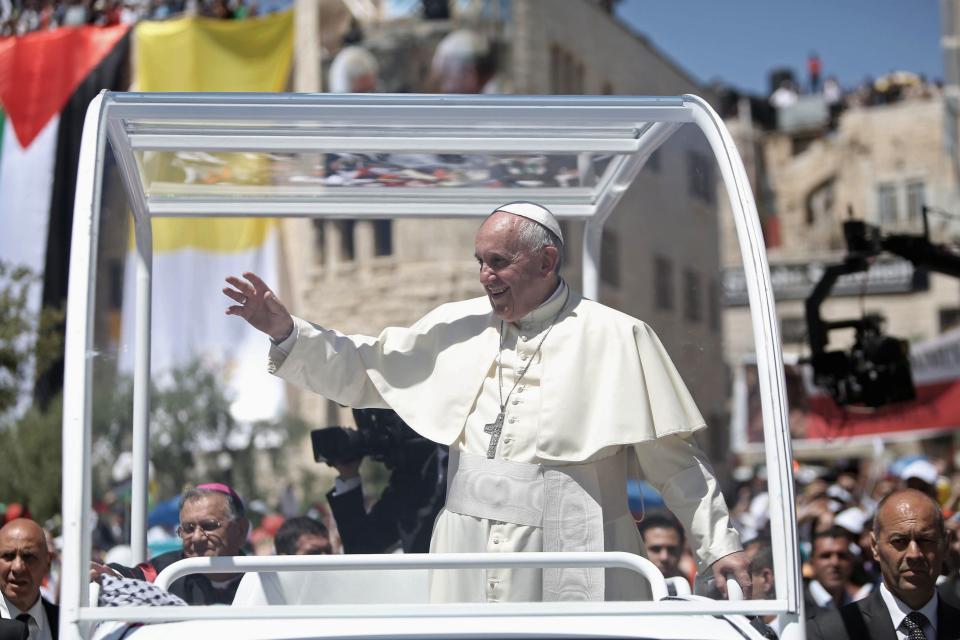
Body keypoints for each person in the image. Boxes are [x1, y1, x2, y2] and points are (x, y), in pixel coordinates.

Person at [223, 200, 750, 603]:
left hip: (574, 547)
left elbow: (675, 463)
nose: (484, 277)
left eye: (498, 262)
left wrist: (719, 545)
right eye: (480, 261)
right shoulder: (457, 325)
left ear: (546, 261)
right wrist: (288, 332)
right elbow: (366, 367)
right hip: (466, 548)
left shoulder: (618, 336)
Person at [807, 489, 960, 640]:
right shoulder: (831, 632)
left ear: (946, 544)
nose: (914, 554)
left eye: (925, 540)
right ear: (875, 546)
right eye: (899, 541)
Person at [91, 484, 249, 606]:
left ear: (241, 530)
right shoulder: (165, 571)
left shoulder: (265, 575)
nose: (196, 538)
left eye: (209, 526)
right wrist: (112, 577)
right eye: (188, 528)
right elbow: (129, 578)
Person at [0, 519, 58, 640]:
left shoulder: (65, 624)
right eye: (8, 556)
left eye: (28, 556)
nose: (17, 567)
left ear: (48, 562)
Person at [804, 526, 859, 613]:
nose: (835, 562)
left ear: (852, 561)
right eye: (826, 556)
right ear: (811, 563)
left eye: (842, 556)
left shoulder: (860, 606)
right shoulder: (798, 608)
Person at [637, 513, 686, 585]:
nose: (664, 557)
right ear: (639, 549)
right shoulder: (620, 589)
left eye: (671, 549)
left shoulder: (697, 590)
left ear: (681, 549)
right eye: (655, 549)